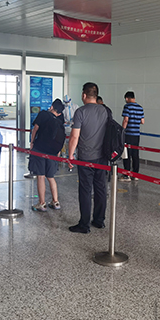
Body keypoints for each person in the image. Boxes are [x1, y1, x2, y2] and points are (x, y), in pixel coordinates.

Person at [67, 83, 109, 233]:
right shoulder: (105, 110)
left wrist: (70, 155)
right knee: (100, 189)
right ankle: (99, 221)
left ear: (84, 95)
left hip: (85, 157)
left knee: (85, 190)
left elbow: (74, 136)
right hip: (102, 158)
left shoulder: (81, 111)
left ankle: (84, 225)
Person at [29, 99, 65, 212]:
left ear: (52, 107)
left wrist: (32, 142)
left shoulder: (43, 114)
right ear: (59, 113)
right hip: (53, 151)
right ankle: (55, 202)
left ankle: (42, 203)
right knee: (50, 176)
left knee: (41, 176)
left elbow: (35, 129)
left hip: (40, 149)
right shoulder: (60, 120)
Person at [119, 91, 144, 182]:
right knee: (135, 154)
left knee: (126, 155)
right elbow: (142, 121)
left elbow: (125, 120)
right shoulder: (140, 107)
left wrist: (122, 130)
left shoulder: (127, 106)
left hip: (128, 134)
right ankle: (135, 174)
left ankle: (127, 175)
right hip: (136, 135)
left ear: (127, 98)